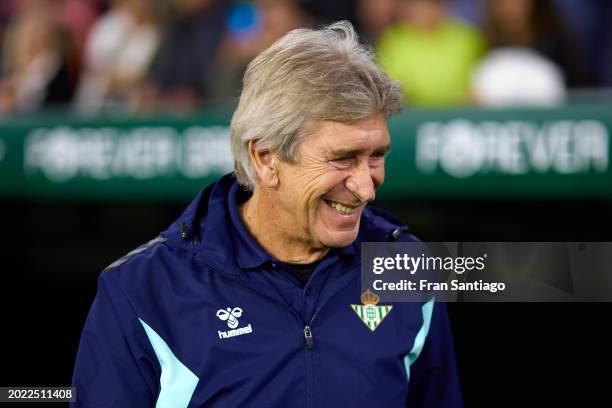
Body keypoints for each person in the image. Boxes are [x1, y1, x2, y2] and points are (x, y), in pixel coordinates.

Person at [71, 21, 462, 407]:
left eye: (376, 156)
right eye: (343, 158)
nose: (366, 186)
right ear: (265, 158)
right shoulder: (142, 290)